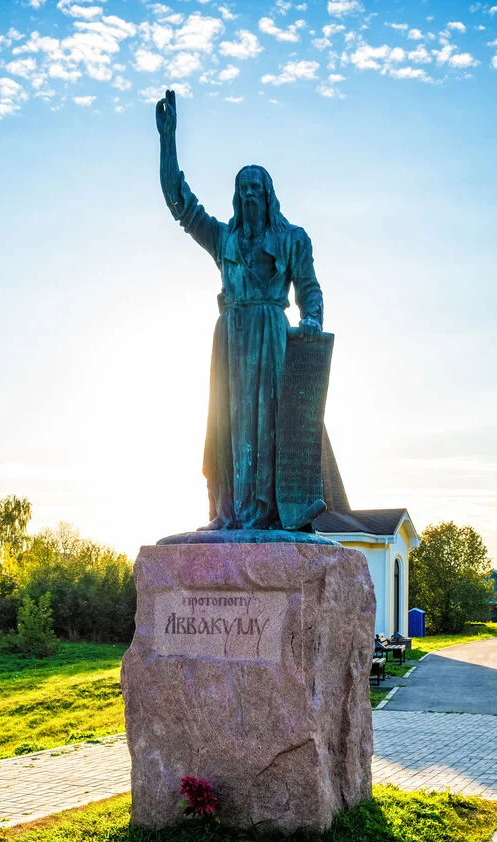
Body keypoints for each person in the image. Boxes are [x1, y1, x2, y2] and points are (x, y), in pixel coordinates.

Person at [156, 90, 324, 531]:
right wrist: (167, 139)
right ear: (236, 197)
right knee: (224, 425)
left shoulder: (292, 240)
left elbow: (309, 288)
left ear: (268, 197)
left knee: (269, 423)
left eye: (256, 188)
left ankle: (269, 512)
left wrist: (310, 318)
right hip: (229, 338)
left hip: (271, 335)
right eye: (242, 188)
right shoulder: (223, 240)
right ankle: (225, 511)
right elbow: (180, 204)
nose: (249, 194)